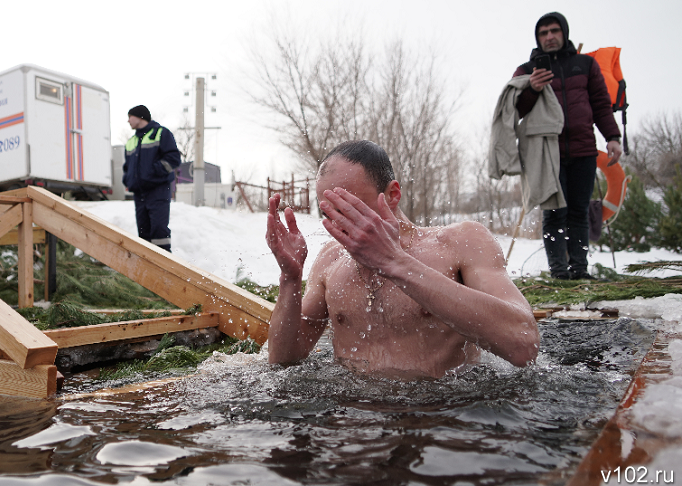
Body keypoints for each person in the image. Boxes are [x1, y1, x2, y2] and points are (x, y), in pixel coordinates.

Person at [265, 140, 539, 379]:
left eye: (352, 209)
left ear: (393, 195)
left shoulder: (460, 242)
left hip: (445, 418)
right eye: (330, 214)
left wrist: (395, 263)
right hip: (353, 423)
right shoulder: (329, 260)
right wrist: (289, 279)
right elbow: (284, 360)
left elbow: (523, 344)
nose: (340, 225)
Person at [514, 12, 622, 280]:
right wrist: (533, 89)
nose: (549, 36)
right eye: (543, 33)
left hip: (584, 150)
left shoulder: (585, 65)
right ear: (538, 38)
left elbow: (600, 104)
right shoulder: (527, 71)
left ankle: (580, 270)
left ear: (564, 32)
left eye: (554, 31)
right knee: (554, 214)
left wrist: (612, 136)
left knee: (579, 212)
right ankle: (559, 272)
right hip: (547, 154)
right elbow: (514, 109)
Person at [123, 105, 182, 252]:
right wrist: (128, 179)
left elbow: (173, 158)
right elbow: (127, 166)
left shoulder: (161, 133)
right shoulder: (131, 141)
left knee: (159, 231)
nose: (128, 120)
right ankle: (147, 269)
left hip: (158, 190)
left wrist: (154, 171)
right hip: (139, 193)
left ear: (140, 117)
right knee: (144, 233)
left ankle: (164, 267)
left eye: (130, 116)